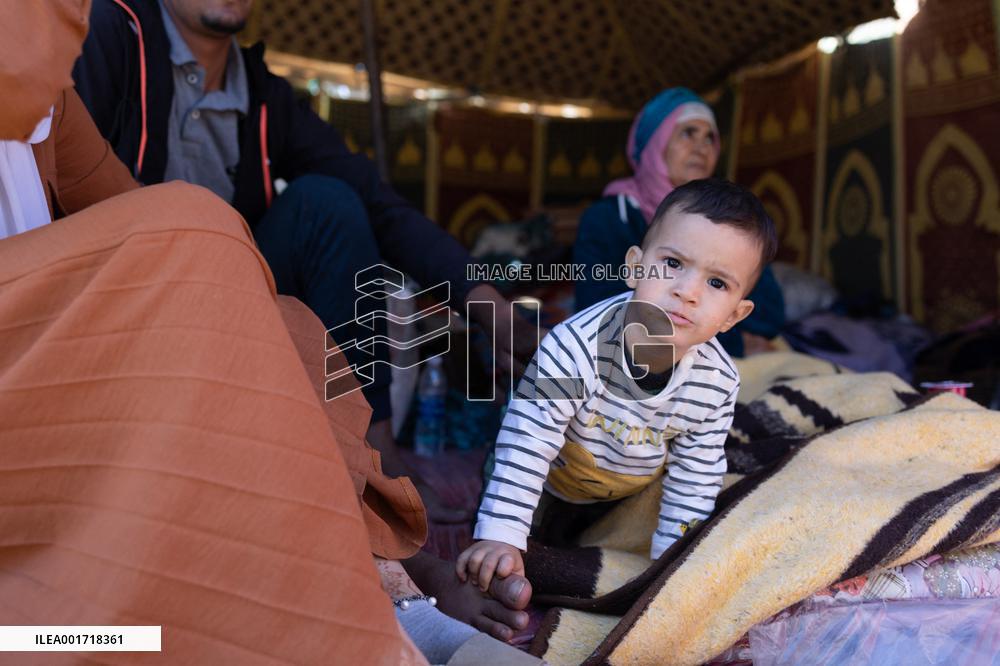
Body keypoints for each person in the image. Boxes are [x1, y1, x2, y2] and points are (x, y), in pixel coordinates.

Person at [71, 0, 537, 516]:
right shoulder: (112, 32)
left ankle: (372, 462)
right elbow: (66, 181)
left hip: (237, 315)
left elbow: (379, 205)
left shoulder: (265, 95)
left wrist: (491, 310)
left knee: (327, 202)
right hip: (125, 306)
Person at [457, 178, 778, 592]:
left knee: (632, 549)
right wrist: (501, 535)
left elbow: (695, 474)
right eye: (674, 264)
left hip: (622, 488)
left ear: (735, 316)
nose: (687, 292)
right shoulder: (574, 348)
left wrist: (671, 569)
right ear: (634, 268)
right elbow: (528, 440)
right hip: (547, 475)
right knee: (504, 555)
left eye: (717, 283)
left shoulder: (716, 382)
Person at [573, 87, 784, 357]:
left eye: (710, 138)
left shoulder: (730, 225)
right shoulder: (608, 218)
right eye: (688, 133)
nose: (701, 147)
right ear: (654, 142)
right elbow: (597, 307)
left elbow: (770, 315)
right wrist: (736, 342)